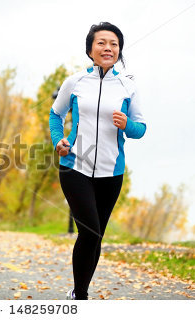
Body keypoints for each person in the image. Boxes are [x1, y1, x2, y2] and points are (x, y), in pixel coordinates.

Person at [48, 22, 146, 300]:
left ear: (119, 51)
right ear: (90, 49)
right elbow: (56, 115)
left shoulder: (128, 87)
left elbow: (140, 129)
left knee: (96, 235)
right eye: (102, 42)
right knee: (89, 231)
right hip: (74, 166)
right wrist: (58, 141)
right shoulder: (75, 82)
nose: (108, 48)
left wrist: (127, 124)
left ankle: (80, 291)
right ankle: (80, 296)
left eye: (114, 44)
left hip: (111, 172)